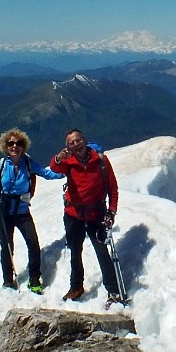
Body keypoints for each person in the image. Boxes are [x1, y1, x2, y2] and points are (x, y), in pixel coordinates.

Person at [0, 128, 63, 292]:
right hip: (4, 212)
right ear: (6, 146)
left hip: (22, 212)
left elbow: (46, 173)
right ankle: (8, 280)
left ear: (23, 146)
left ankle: (34, 279)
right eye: (10, 143)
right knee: (7, 246)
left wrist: (66, 172)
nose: (14, 146)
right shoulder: (2, 164)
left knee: (33, 244)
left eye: (18, 143)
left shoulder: (29, 163)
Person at [49, 128, 121, 302]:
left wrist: (111, 211)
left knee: (101, 251)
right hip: (74, 214)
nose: (76, 144)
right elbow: (54, 167)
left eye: (78, 140)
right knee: (75, 252)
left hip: (96, 214)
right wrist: (59, 157)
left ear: (85, 140)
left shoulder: (101, 160)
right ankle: (76, 287)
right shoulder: (68, 162)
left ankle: (113, 289)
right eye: (72, 143)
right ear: (68, 147)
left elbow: (112, 188)